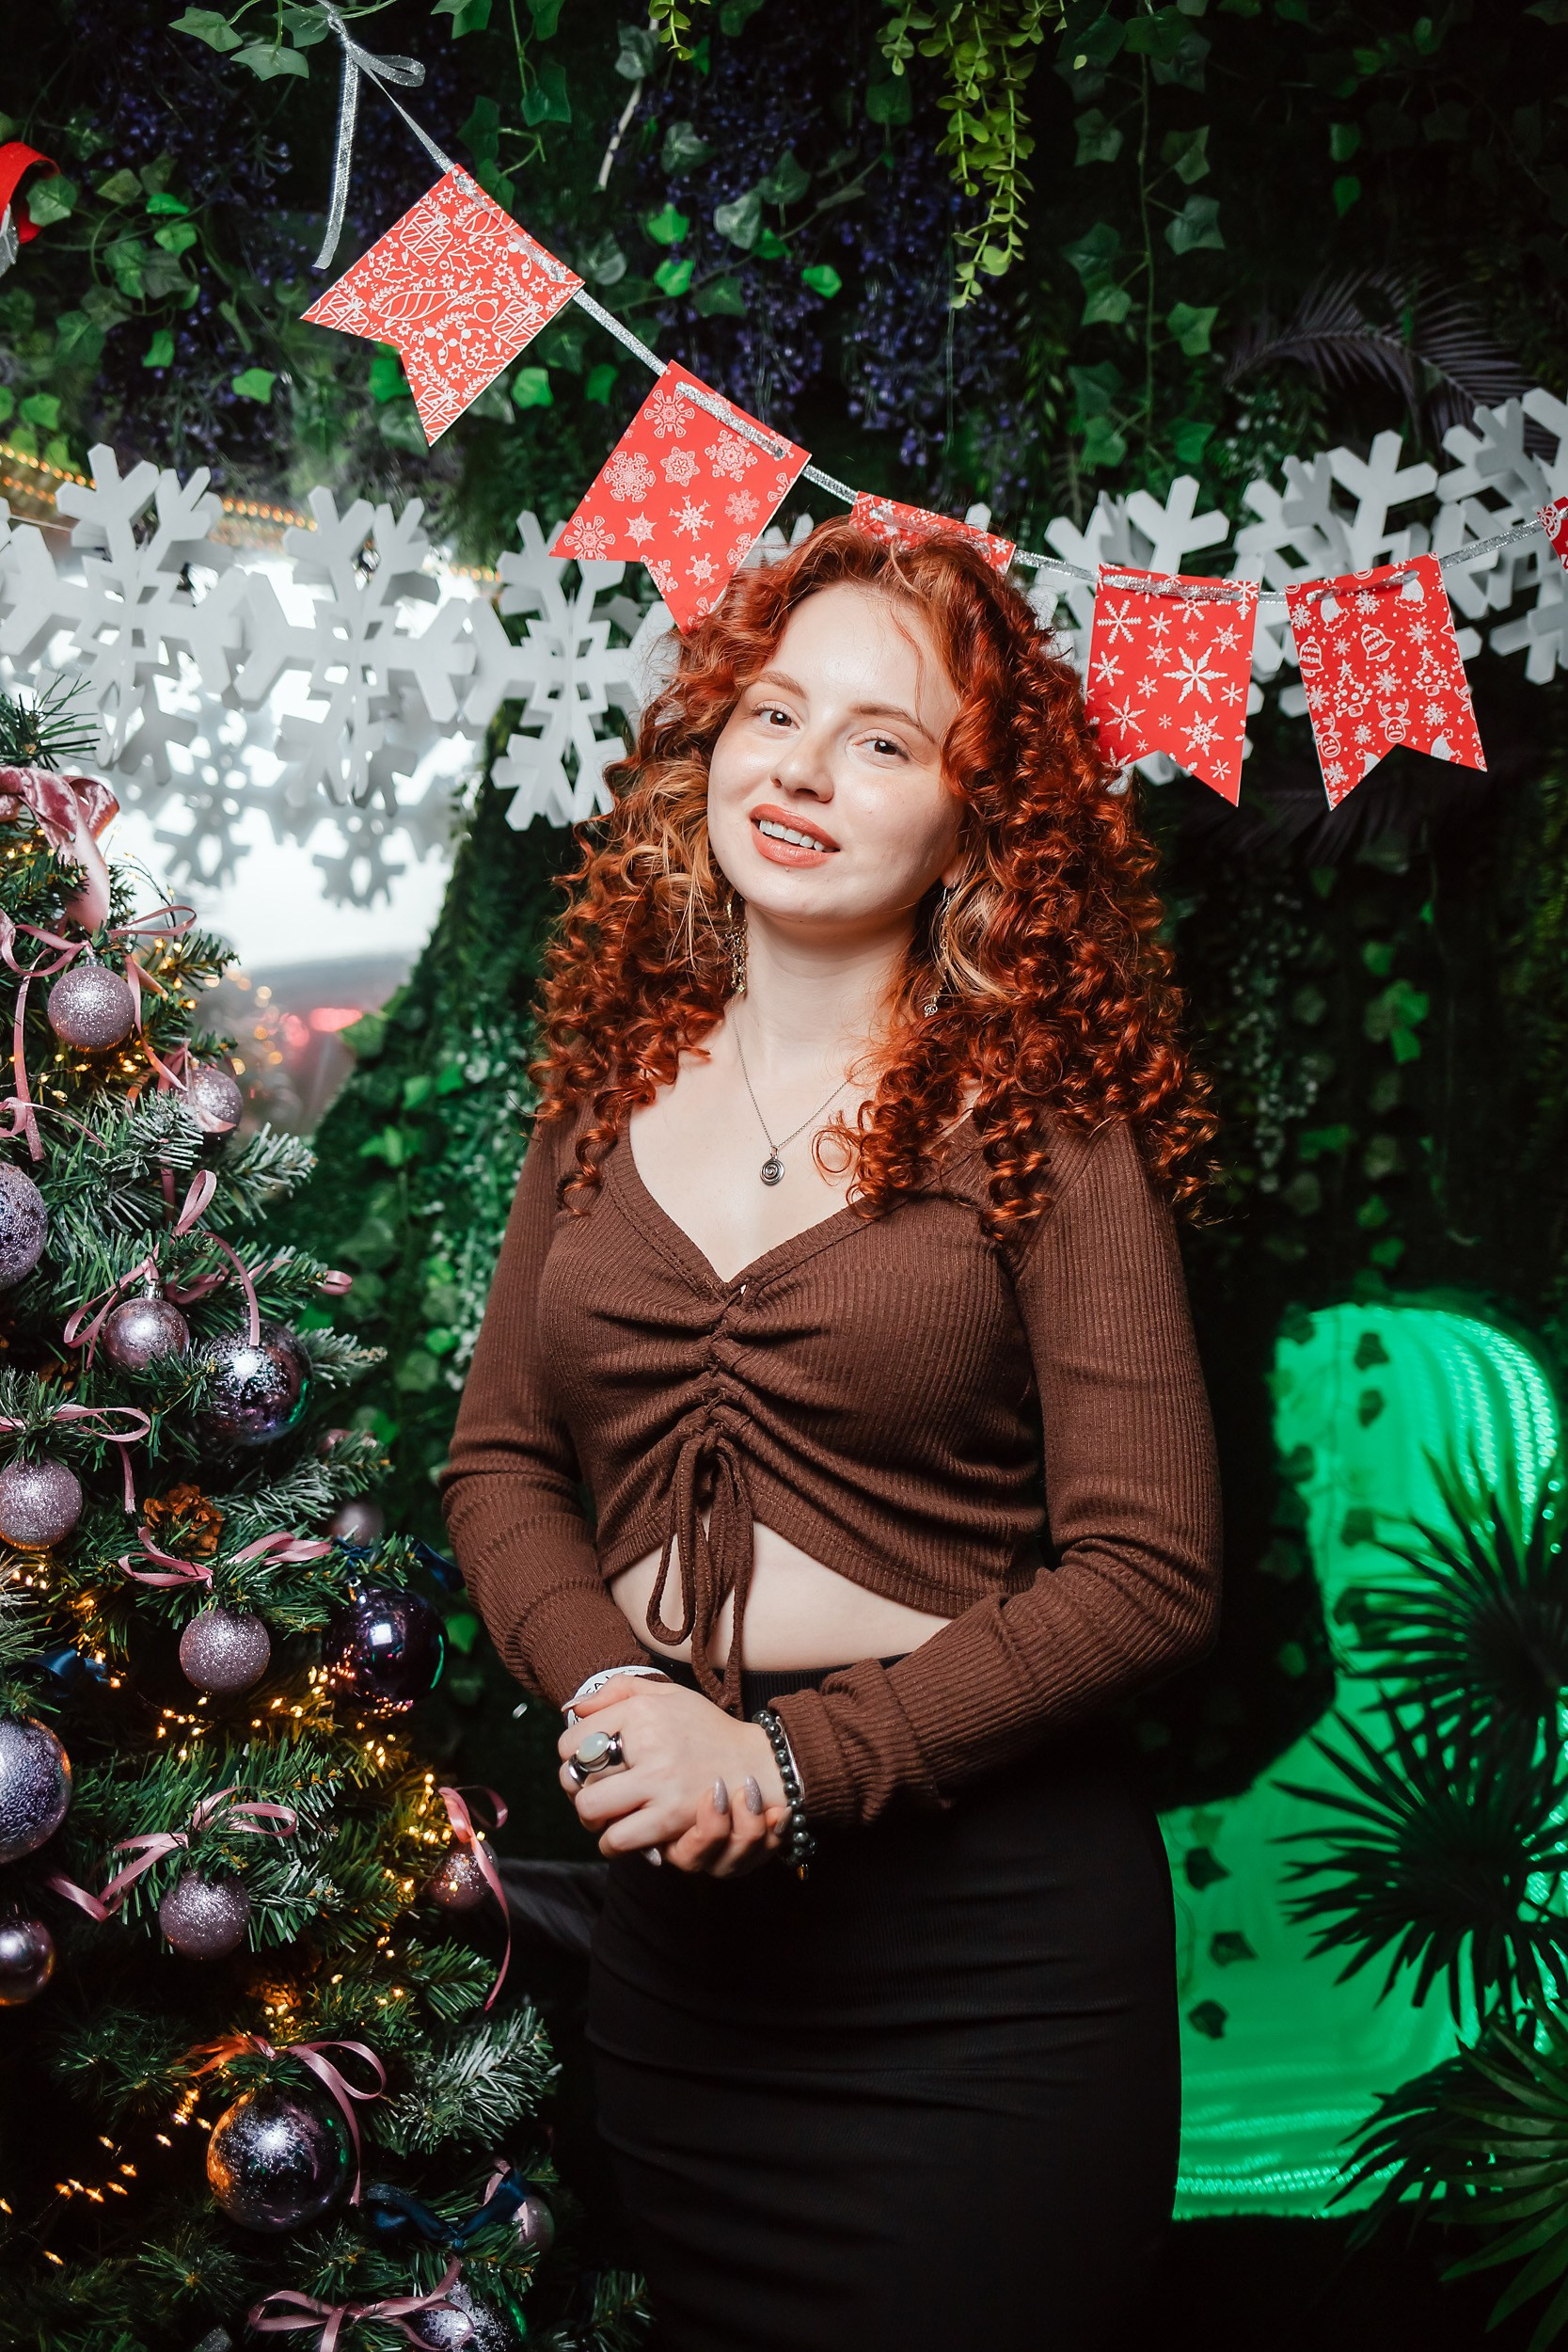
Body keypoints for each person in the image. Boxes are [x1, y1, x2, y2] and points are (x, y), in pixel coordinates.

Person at [440, 518, 1223, 2352]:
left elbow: (1153, 1567)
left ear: (978, 818)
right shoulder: (605, 1091)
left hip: (985, 1974)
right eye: (775, 712)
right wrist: (616, 1693)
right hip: (687, 1976)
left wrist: (789, 1766)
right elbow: (500, 1460)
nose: (801, 769)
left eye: (882, 738)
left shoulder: (1043, 1115)